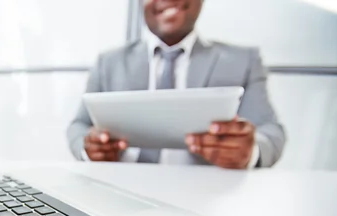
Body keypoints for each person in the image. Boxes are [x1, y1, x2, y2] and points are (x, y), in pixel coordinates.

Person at [67, 0, 285, 169]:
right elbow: (78, 126)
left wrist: (250, 151)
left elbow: (271, 132)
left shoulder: (243, 61)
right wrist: (90, 149)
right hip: (116, 189)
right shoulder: (109, 62)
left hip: (208, 198)